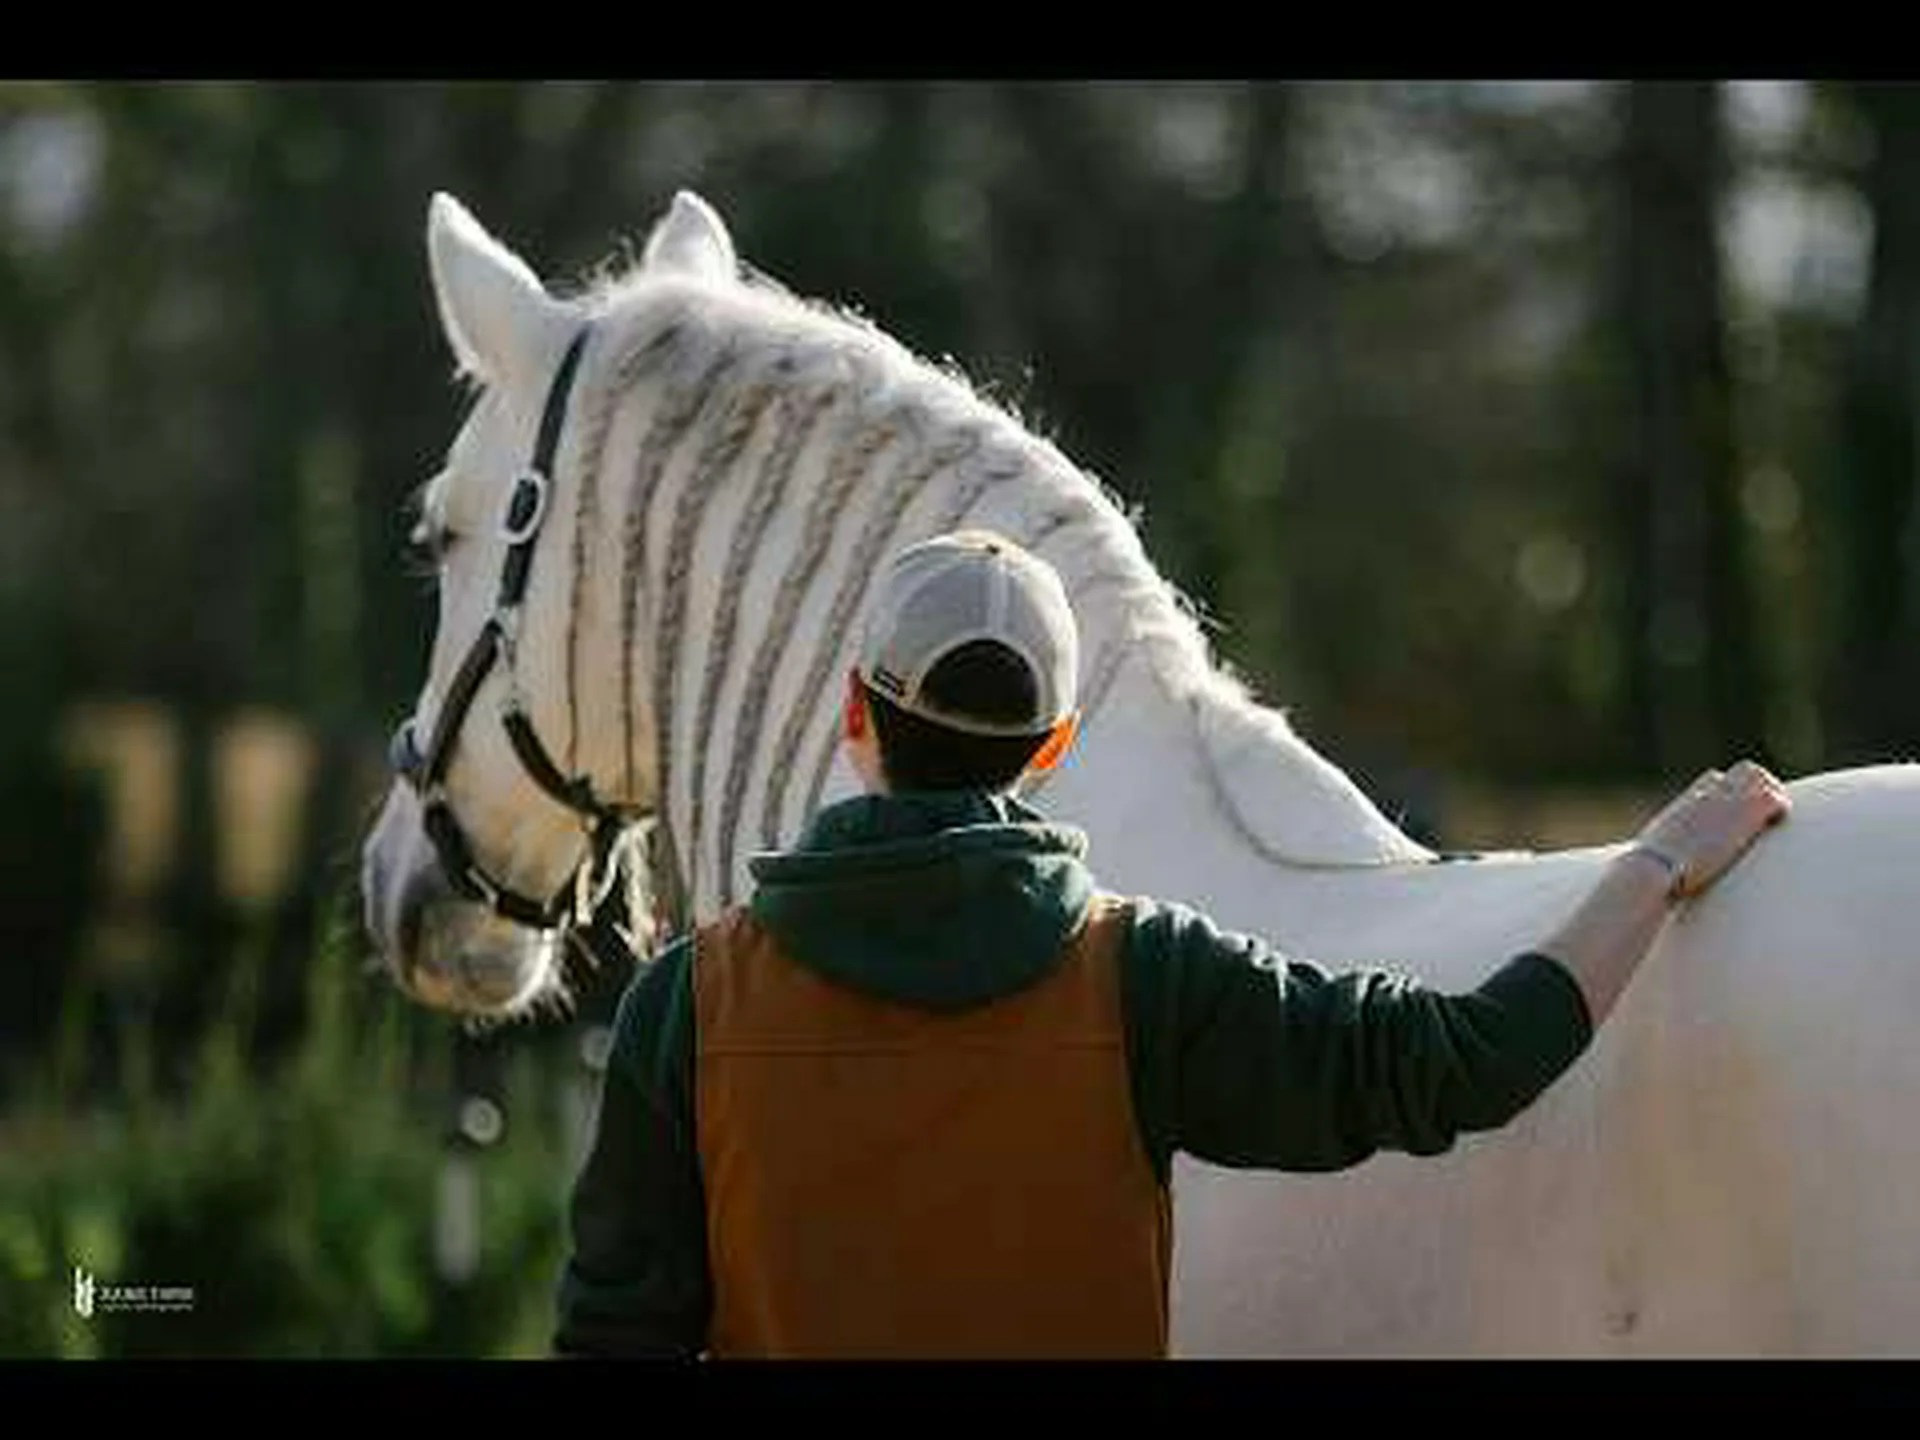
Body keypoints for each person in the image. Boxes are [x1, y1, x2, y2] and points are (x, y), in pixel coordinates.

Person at [553, 529, 1790, 1359]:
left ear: (854, 715)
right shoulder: (1146, 980)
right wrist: (1657, 865)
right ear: (1051, 748)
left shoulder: (689, 1005)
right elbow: (1464, 1060)